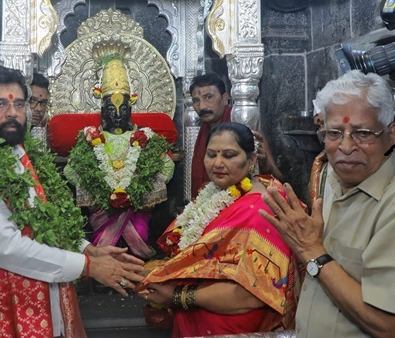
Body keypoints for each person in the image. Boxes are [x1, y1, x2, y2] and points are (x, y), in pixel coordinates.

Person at [0, 66, 145, 338]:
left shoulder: (22, 152)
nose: (12, 112)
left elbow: (45, 221)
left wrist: (87, 249)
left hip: (40, 304)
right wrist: (88, 267)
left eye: (18, 104)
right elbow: (6, 246)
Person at [261, 70, 395, 337]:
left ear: (391, 134)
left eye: (362, 133)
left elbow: (386, 325)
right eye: (334, 133)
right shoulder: (329, 176)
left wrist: (312, 252)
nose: (345, 146)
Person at [137, 122, 299, 337]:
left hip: (229, 326)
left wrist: (177, 296)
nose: (218, 163)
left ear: (251, 160)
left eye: (229, 155)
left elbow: (252, 295)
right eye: (211, 154)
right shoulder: (215, 192)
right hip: (197, 317)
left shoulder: (260, 210)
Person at [64, 48, 174, 259]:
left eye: (122, 109)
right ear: (102, 110)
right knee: (101, 242)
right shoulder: (91, 138)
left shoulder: (145, 137)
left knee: (139, 235)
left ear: (131, 110)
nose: (116, 114)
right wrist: (99, 191)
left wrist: (139, 189)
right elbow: (71, 169)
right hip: (102, 209)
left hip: (137, 208)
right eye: (111, 109)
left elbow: (167, 166)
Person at [189, 72, 282, 199]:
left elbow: (279, 180)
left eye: (208, 97)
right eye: (196, 100)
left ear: (225, 98)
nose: (202, 106)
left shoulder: (244, 128)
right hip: (209, 206)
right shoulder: (203, 131)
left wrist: (265, 163)